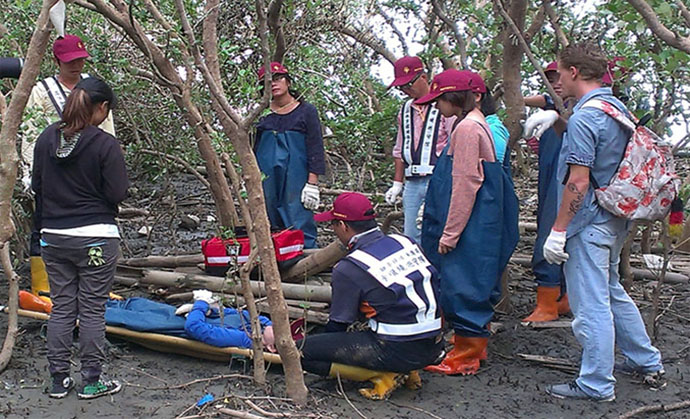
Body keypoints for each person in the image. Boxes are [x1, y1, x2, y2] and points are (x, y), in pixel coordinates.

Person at [543, 43, 664, 401]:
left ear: (574, 72)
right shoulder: (614, 108)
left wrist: (558, 230)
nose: (558, 80)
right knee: (611, 291)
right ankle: (645, 361)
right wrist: (556, 121)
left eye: (561, 72)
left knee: (590, 303)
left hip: (588, 222)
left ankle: (596, 383)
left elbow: (578, 180)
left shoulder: (585, 116)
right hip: (615, 218)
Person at [418, 69, 519, 376]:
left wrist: (450, 233)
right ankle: (473, 346)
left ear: (457, 98)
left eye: (441, 100)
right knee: (474, 279)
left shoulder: (466, 130)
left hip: (471, 223)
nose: (437, 106)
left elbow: (465, 183)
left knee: (464, 282)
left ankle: (465, 356)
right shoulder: (476, 124)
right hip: (479, 220)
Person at [32, 77, 127, 400]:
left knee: (61, 307)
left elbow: (38, 186)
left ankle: (58, 380)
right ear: (101, 108)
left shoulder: (46, 138)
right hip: (96, 237)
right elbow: (117, 192)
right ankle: (91, 381)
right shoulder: (105, 144)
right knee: (91, 309)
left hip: (54, 237)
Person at [300, 192, 444, 400]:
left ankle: (384, 375)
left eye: (333, 224)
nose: (333, 230)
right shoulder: (404, 241)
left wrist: (321, 341)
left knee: (303, 353)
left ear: (343, 225)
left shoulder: (350, 267)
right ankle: (408, 368)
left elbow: (339, 322)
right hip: (434, 345)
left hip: (395, 349)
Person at [22, 34, 116, 304]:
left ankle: (93, 284)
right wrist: (31, 169)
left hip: (87, 167)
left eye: (80, 60)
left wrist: (110, 164)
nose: (75, 65)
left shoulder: (94, 89)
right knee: (43, 223)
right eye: (70, 61)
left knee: (96, 224)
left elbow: (107, 128)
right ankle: (44, 286)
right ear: (57, 61)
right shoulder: (43, 91)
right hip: (53, 166)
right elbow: (31, 131)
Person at [384, 56, 455, 244]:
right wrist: (397, 183)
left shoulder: (443, 104)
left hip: (438, 178)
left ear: (423, 77)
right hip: (413, 181)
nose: (406, 91)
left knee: (438, 229)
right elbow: (399, 149)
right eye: (402, 88)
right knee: (411, 233)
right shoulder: (405, 109)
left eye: (409, 85)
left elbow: (454, 143)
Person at [255, 62, 325, 249]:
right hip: (267, 177)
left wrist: (312, 183)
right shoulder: (261, 115)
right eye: (267, 82)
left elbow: (315, 146)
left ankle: (306, 262)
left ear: (288, 81)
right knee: (269, 216)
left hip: (297, 176)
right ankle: (275, 260)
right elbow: (251, 149)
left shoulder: (306, 111)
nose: (274, 84)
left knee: (298, 216)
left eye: (278, 79)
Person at [521, 62, 571, 322]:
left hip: (566, 187)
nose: (556, 83)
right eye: (550, 79)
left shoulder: (578, 112)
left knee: (551, 237)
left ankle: (550, 304)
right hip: (550, 183)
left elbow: (545, 99)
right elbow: (544, 99)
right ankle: (561, 298)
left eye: (560, 78)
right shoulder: (551, 112)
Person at [176, 290, 276, 351]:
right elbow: (235, 313)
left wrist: (201, 303)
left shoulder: (241, 338)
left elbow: (193, 327)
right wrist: (211, 311)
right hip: (195, 316)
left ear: (271, 347)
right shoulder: (263, 324)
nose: (277, 327)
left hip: (179, 324)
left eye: (278, 333)